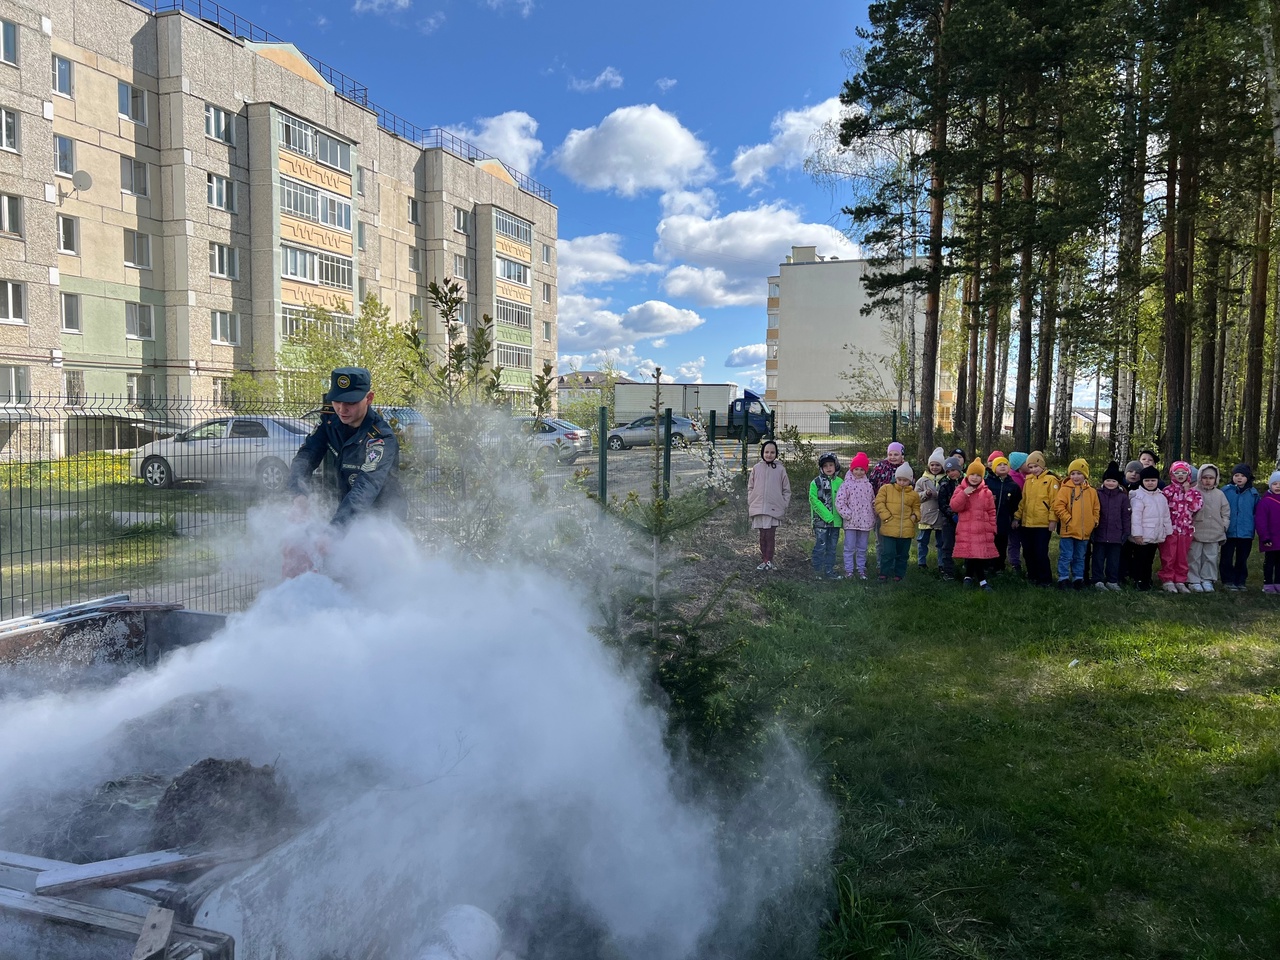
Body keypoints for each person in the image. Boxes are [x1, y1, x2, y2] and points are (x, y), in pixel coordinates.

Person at [288, 367, 407, 528]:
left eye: (351, 402)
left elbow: (366, 486)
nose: (342, 409)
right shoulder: (329, 421)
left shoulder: (380, 437)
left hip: (382, 519)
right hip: (345, 514)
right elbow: (307, 455)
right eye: (337, 401)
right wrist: (299, 494)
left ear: (369, 398)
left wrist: (336, 529)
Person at [1013, 451, 1060, 586]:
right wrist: (1017, 517)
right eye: (1031, 467)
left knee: (1040, 552)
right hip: (1027, 522)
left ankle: (1045, 579)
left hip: (1043, 523)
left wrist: (1052, 520)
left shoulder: (1051, 480)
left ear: (1042, 465)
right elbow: (1024, 500)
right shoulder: (1029, 480)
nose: (1033, 470)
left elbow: (1055, 502)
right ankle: (1032, 576)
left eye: (1036, 466)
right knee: (1028, 551)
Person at [950, 458, 998, 590]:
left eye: (978, 475)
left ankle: (968, 577)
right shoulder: (960, 489)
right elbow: (954, 506)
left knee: (977, 555)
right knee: (974, 554)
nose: (975, 478)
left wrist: (993, 527)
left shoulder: (986, 492)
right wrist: (964, 495)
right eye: (972, 474)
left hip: (983, 529)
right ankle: (983, 582)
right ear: (967, 475)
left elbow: (991, 511)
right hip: (967, 529)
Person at [1053, 458, 1100, 589]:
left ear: (1085, 475)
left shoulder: (1092, 492)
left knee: (1080, 556)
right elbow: (1058, 506)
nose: (1075, 477)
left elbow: (1096, 508)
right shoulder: (1065, 489)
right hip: (1068, 530)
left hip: (1084, 532)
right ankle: (1063, 578)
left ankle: (1078, 578)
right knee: (1066, 556)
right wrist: (1068, 519)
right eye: (1072, 474)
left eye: (1079, 473)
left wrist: (1094, 521)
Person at [1159, 461, 1202, 593]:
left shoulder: (1194, 493)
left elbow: (1195, 507)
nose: (1180, 475)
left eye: (1183, 472)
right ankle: (1168, 580)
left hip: (1185, 530)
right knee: (1169, 555)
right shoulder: (1167, 491)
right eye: (1177, 472)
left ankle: (1180, 580)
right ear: (1172, 474)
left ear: (1188, 474)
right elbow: (1161, 509)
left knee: (1182, 556)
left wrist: (1187, 492)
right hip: (1170, 530)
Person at [747, 439, 791, 571]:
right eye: (766, 452)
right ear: (762, 453)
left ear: (776, 454)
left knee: (770, 535)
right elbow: (750, 487)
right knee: (763, 535)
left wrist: (783, 504)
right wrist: (752, 500)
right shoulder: (756, 468)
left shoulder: (780, 469)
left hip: (773, 509)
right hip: (759, 508)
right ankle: (763, 559)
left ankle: (769, 560)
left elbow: (786, 490)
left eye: (772, 452)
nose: (769, 455)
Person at [875, 462, 921, 581]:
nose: (901, 482)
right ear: (895, 478)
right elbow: (879, 503)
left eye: (905, 480)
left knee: (903, 554)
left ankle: (899, 574)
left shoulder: (914, 494)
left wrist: (915, 517)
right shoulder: (886, 489)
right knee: (888, 553)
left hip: (906, 529)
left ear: (910, 481)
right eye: (899, 479)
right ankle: (884, 573)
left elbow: (916, 508)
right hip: (889, 527)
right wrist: (886, 517)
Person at [1129, 465, 1172, 591]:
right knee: (1140, 559)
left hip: (1155, 535)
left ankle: (1147, 579)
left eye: (1153, 480)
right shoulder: (1138, 496)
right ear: (1141, 481)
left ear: (1158, 481)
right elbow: (1135, 518)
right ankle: (1139, 580)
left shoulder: (1161, 497)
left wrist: (1167, 531)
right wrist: (1137, 535)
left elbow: (1165, 515)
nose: (1150, 483)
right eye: (1147, 480)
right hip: (1142, 536)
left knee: (1149, 559)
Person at [1188, 463, 1230, 593]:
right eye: (1205, 477)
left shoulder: (1220, 494)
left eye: (1211, 478)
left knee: (1210, 557)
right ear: (1200, 477)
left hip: (1215, 531)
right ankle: (1193, 580)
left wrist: (1224, 526)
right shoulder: (1194, 492)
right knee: (1194, 556)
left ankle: (1207, 579)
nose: (1207, 480)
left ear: (1216, 479)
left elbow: (1226, 512)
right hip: (1197, 530)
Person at [1222, 463, 1262, 591]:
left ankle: (1240, 580)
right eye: (1236, 475)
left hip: (1246, 532)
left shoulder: (1253, 493)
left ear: (1248, 477)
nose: (1239, 478)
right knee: (1226, 557)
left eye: (1243, 476)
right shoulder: (1226, 491)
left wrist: (1255, 527)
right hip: (1229, 531)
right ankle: (1227, 580)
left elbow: (1257, 512)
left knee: (1242, 558)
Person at [1092, 462, 1131, 591]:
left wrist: (1126, 531)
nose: (1110, 483)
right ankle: (1097, 579)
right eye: (1108, 480)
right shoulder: (1097, 494)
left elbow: (1126, 515)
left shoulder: (1123, 497)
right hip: (1100, 533)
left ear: (1118, 483)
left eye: (1113, 481)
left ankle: (1112, 580)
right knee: (1098, 558)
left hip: (1116, 534)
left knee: (1114, 560)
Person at [836, 452, 876, 579]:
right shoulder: (846, 484)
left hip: (865, 522)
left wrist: (873, 515)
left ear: (865, 471)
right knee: (849, 547)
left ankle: (861, 569)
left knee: (862, 548)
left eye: (862, 469)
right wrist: (848, 515)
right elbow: (840, 502)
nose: (859, 472)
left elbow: (872, 501)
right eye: (856, 469)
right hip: (851, 522)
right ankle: (849, 570)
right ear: (851, 469)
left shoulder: (868, 485)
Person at [809, 452, 843, 580]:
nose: (828, 468)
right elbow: (814, 500)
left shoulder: (840, 482)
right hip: (820, 522)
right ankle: (817, 570)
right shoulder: (816, 482)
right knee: (820, 545)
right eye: (825, 466)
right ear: (821, 468)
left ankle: (829, 570)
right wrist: (827, 516)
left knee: (832, 547)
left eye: (831, 465)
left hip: (836, 523)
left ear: (836, 466)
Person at [985, 455, 1022, 573]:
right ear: (994, 468)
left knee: (1001, 544)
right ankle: (986, 566)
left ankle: (999, 567)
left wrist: (1015, 519)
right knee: (988, 543)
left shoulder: (1013, 486)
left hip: (1004, 521)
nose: (1002, 467)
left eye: (1005, 464)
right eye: (999, 465)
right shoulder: (987, 483)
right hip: (987, 521)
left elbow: (1018, 504)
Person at [914, 448, 946, 570]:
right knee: (922, 541)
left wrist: (938, 495)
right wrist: (925, 494)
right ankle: (921, 562)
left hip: (940, 515)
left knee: (941, 542)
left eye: (937, 465)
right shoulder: (922, 480)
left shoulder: (945, 480)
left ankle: (941, 564)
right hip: (926, 515)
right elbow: (915, 496)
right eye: (932, 465)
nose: (934, 467)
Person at [936, 456, 964, 581]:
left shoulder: (966, 481)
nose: (951, 473)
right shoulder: (944, 484)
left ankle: (968, 569)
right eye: (948, 471)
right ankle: (948, 571)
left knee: (966, 544)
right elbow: (942, 503)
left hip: (966, 519)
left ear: (959, 469)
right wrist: (952, 515)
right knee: (947, 545)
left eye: (953, 470)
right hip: (949, 520)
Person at [1258, 471, 1280, 594]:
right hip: (1270, 539)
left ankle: (1278, 582)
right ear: (1270, 485)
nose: (1278, 486)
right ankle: (1268, 583)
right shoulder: (1265, 501)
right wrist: (1265, 537)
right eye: (1275, 483)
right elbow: (1261, 521)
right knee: (1270, 562)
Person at [1007, 452, 1029, 573]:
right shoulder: (1014, 480)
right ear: (1019, 465)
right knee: (1014, 540)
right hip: (1015, 514)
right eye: (1027, 462)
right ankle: (1015, 563)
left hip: (1027, 514)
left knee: (1025, 540)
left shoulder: (1028, 476)